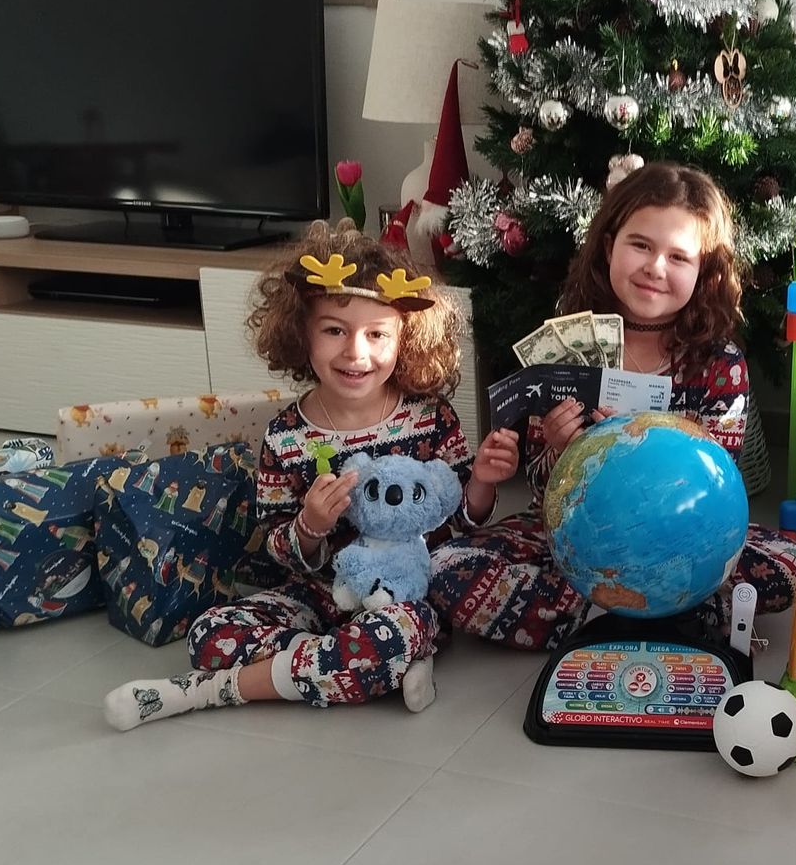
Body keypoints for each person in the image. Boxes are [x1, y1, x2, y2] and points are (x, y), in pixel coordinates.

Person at [104, 220, 519, 731]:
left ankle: (215, 691)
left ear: (405, 338)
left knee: (391, 631)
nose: (356, 353)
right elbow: (278, 544)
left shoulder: (430, 416)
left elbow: (459, 523)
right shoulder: (286, 436)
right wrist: (310, 526)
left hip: (406, 598)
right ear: (302, 332)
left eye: (376, 334)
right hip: (321, 593)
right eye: (335, 330)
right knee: (212, 634)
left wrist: (481, 481)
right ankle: (354, 663)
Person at [428, 161, 796, 651]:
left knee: (787, 566)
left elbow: (722, 485)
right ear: (609, 246)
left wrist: (649, 446)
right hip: (575, 545)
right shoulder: (568, 350)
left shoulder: (720, 364)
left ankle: (605, 615)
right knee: (447, 570)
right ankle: (658, 615)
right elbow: (545, 492)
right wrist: (564, 446)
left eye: (679, 256)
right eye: (641, 245)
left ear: (704, 271)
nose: (655, 268)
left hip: (680, 541)